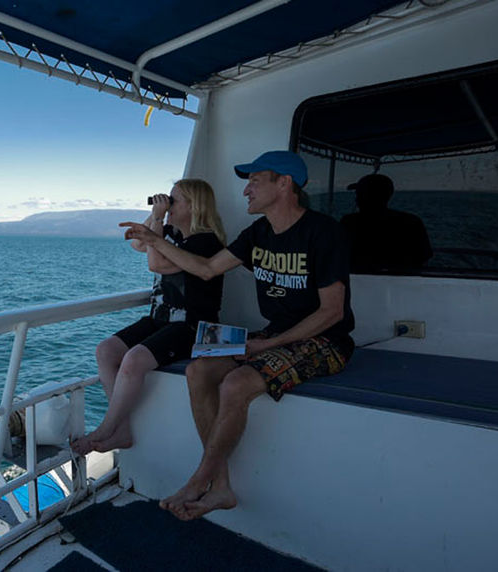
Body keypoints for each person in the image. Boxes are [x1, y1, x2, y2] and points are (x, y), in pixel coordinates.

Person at [120, 151, 355, 521]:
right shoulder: (257, 233)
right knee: (199, 371)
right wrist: (156, 237)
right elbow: (208, 269)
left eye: (254, 181)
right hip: (275, 333)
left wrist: (266, 344)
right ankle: (222, 488)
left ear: (284, 183)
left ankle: (200, 480)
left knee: (235, 383)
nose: (246, 190)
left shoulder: (323, 232)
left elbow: (332, 312)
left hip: (326, 339)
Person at [71, 179, 226, 456]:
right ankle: (122, 429)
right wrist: (156, 218)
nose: (167, 205)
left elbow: (156, 263)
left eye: (173, 201)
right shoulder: (171, 233)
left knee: (133, 360)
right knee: (105, 351)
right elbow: (138, 245)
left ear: (194, 206)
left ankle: (107, 427)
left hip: (193, 324)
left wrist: (156, 220)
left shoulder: (206, 242)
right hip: (161, 318)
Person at [340, 173, 432, 273]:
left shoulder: (349, 222)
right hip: (403, 283)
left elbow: (337, 255)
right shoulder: (412, 222)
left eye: (360, 194)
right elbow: (423, 257)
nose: (356, 199)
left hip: (357, 281)